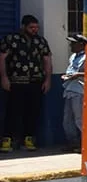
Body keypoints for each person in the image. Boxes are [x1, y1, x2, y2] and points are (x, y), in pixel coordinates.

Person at [0, 15, 52, 152]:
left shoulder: (40, 41)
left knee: (33, 112)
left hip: (35, 82)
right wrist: (4, 77)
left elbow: (47, 60)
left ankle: (28, 139)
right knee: (13, 111)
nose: (34, 30)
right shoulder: (11, 39)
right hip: (16, 82)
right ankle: (7, 140)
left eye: (36, 28)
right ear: (23, 26)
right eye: (31, 27)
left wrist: (48, 80)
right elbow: (2, 59)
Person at [61, 33, 87, 151]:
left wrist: (78, 75)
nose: (71, 45)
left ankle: (86, 144)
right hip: (70, 89)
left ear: (81, 45)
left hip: (80, 90)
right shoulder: (73, 57)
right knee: (67, 119)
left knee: (79, 119)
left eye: (73, 43)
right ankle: (73, 143)